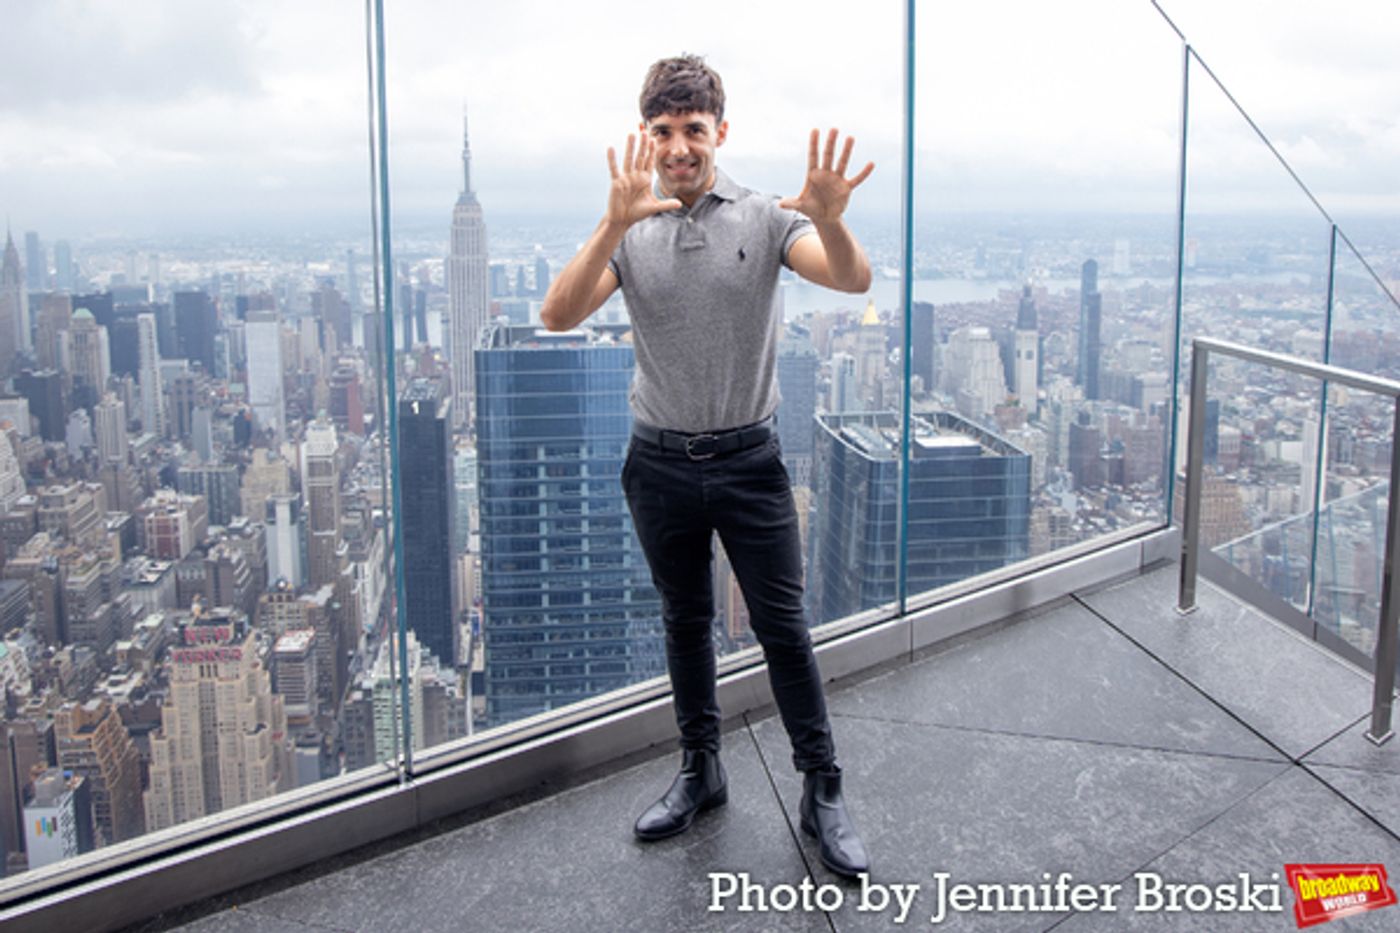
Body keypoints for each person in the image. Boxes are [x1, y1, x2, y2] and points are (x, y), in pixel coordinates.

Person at [540, 54, 873, 878]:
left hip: (748, 461)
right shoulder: (634, 228)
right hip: (657, 463)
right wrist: (612, 224)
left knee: (783, 630)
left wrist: (830, 218)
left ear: (720, 132)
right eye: (664, 131)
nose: (679, 146)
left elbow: (849, 276)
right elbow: (557, 314)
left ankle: (822, 785)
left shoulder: (764, 216)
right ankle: (702, 770)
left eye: (694, 129)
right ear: (645, 137)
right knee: (684, 622)